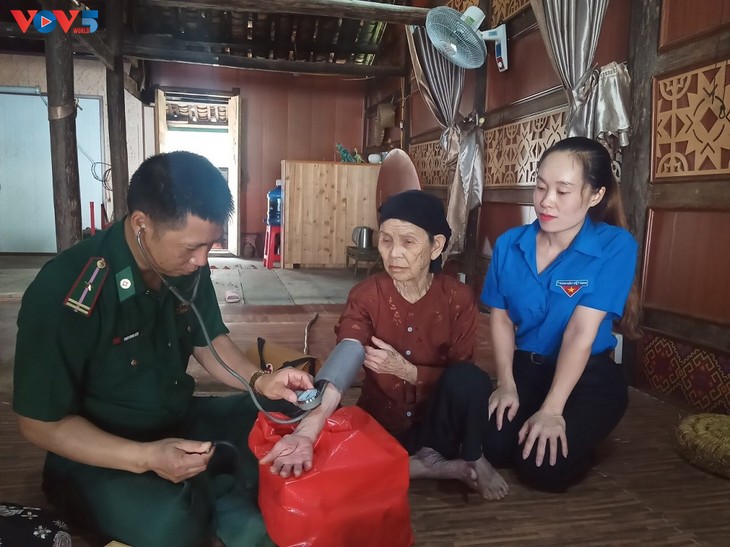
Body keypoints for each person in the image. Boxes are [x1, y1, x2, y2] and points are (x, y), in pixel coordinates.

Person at [13, 151, 314, 547]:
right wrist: (146, 458)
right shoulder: (67, 290)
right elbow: (38, 423)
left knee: (287, 410)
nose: (202, 260)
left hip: (177, 419)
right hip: (102, 450)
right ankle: (219, 482)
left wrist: (261, 381)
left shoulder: (185, 265)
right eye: (191, 247)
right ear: (142, 224)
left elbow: (208, 342)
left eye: (211, 245)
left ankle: (212, 476)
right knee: (173, 524)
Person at [261, 189, 509, 500]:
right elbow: (348, 350)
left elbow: (462, 379)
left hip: (438, 429)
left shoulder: (457, 297)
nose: (393, 254)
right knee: (332, 457)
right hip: (383, 424)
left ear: (436, 247)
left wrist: (409, 371)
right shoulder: (367, 295)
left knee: (473, 380)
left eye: (408, 242)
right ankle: (428, 467)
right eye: (386, 240)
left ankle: (471, 456)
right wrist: (308, 430)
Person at [481, 136, 639, 492]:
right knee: (491, 448)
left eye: (563, 191)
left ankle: (580, 430)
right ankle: (547, 424)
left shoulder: (615, 246)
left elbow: (580, 333)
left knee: (541, 471)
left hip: (588, 376)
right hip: (528, 368)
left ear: (594, 196)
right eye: (540, 187)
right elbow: (502, 317)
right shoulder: (510, 243)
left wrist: (553, 410)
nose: (546, 201)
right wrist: (506, 383)